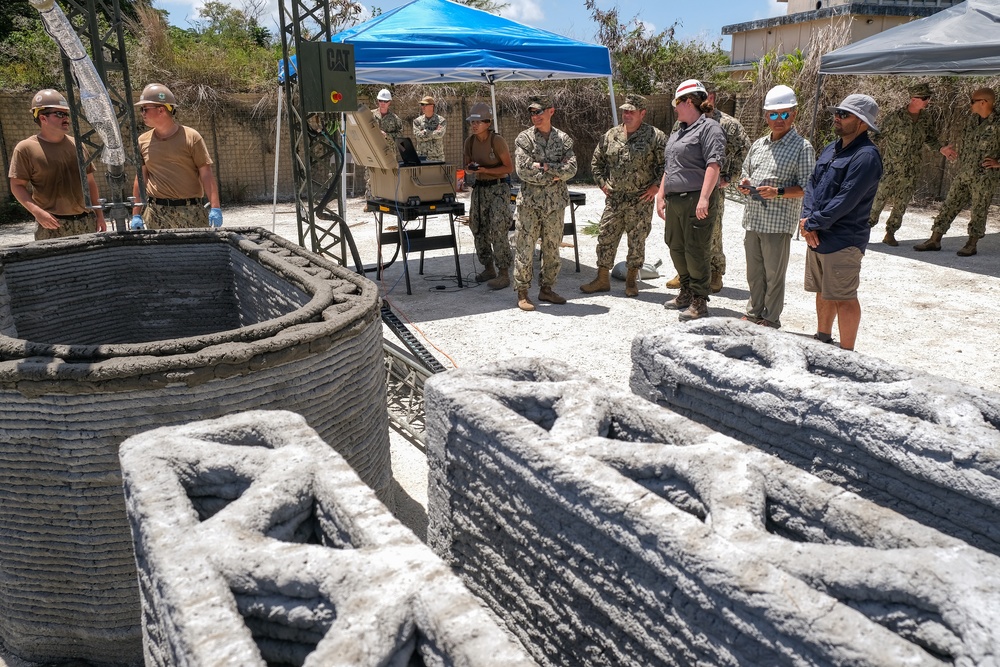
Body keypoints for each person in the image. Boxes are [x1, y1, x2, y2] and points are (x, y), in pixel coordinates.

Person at [800, 94, 883, 351]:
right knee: (823, 291)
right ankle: (823, 339)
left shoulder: (866, 156)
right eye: (837, 112)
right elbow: (812, 184)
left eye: (844, 114)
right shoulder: (831, 148)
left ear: (862, 123)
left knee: (844, 297)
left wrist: (813, 223)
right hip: (818, 234)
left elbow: (847, 199)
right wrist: (807, 219)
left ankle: (848, 354)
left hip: (843, 239)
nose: (837, 117)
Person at [737, 85, 815, 329]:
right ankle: (753, 313)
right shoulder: (758, 145)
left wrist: (778, 192)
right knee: (754, 273)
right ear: (766, 116)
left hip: (777, 222)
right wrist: (745, 183)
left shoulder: (803, 148)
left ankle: (770, 319)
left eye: (784, 114)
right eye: (773, 114)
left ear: (794, 114)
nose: (778, 120)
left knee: (773, 274)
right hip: (753, 219)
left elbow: (807, 187)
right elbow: (745, 171)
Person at [665, 82, 748, 293]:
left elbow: (744, 151)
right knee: (684, 237)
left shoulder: (726, 124)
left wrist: (729, 177)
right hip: (687, 190)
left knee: (712, 233)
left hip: (711, 187)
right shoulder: (681, 124)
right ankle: (687, 277)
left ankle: (715, 273)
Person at [581, 93, 666, 297]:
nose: (626, 115)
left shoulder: (656, 137)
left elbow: (666, 165)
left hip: (640, 199)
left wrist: (656, 187)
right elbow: (596, 162)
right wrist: (603, 184)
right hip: (615, 199)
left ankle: (631, 281)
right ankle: (602, 278)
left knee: (637, 240)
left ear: (642, 113)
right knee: (606, 237)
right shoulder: (611, 135)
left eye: (631, 111)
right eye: (625, 111)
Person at [656, 79, 726, 321]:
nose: (674, 107)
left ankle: (699, 300)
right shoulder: (678, 132)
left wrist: (705, 198)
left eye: (676, 102)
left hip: (696, 198)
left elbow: (714, 164)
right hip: (675, 200)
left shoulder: (710, 129)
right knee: (675, 246)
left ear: (688, 102)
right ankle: (685, 291)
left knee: (696, 250)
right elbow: (669, 167)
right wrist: (660, 194)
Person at [9, 89, 107, 240]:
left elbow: (90, 183)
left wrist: (99, 215)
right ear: (43, 118)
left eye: (66, 114)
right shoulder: (25, 149)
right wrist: (37, 212)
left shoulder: (78, 145)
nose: (66, 118)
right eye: (59, 114)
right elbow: (17, 185)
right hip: (52, 226)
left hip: (85, 222)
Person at [913, 87, 1000, 257]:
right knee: (949, 205)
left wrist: (998, 163)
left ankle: (971, 244)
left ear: (984, 102)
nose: (970, 104)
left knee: (979, 210)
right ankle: (934, 239)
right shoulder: (972, 120)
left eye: (973, 101)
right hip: (965, 173)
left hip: (985, 177)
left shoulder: (998, 123)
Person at [513, 95, 578, 311]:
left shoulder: (564, 139)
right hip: (530, 203)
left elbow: (572, 169)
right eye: (532, 113)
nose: (535, 116)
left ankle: (547, 289)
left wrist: (544, 166)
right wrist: (555, 171)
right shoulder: (524, 139)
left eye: (539, 112)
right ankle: (523, 292)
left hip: (555, 204)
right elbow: (523, 171)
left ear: (551, 111)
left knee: (552, 247)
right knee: (525, 246)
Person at [131, 83, 221, 230]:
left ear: (161, 110)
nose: (142, 113)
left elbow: (206, 174)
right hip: (156, 213)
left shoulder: (191, 137)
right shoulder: (142, 141)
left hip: (190, 213)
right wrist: (136, 214)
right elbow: (140, 179)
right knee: (160, 253)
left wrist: (215, 207)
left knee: (195, 253)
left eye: (145, 109)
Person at [868, 82, 942, 246]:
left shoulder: (926, 119)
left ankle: (890, 233)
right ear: (914, 99)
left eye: (928, 98)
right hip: (891, 169)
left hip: (911, 170)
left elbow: (930, 139)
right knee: (878, 201)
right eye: (925, 98)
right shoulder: (895, 117)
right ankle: (864, 231)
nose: (928, 101)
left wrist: (941, 149)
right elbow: (876, 137)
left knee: (901, 204)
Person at [463, 102, 514, 290]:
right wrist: (470, 170)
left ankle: (504, 273)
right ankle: (488, 267)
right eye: (472, 122)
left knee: (498, 229)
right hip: (480, 189)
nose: (474, 125)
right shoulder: (469, 142)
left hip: (498, 189)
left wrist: (486, 170)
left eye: (478, 122)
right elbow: (467, 167)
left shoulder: (497, 141)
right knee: (478, 228)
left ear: (488, 122)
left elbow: (509, 168)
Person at [412, 95, 447, 163]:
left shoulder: (441, 120)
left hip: (437, 157)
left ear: (432, 106)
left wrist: (424, 132)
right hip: (421, 158)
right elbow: (417, 136)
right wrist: (433, 132)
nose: (422, 107)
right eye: (422, 105)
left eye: (424, 104)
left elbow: (440, 134)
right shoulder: (417, 121)